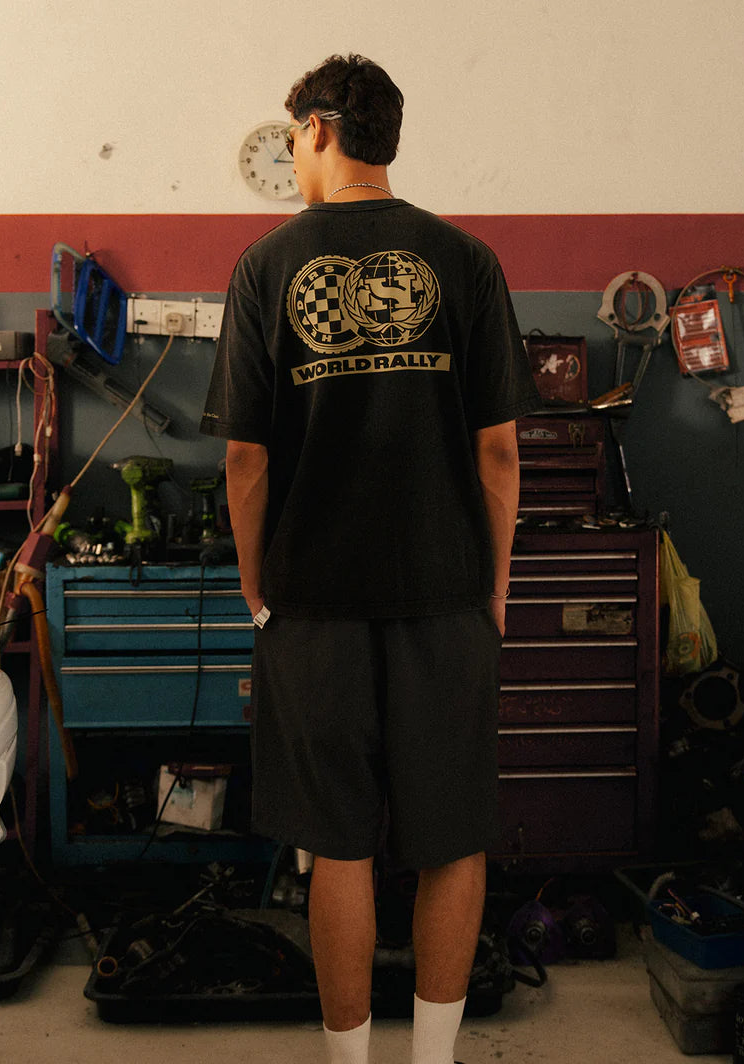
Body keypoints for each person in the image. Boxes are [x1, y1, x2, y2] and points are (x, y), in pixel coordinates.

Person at [200, 53, 539, 1064]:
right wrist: (494, 590)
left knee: (337, 846)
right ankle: (432, 1058)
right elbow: (499, 452)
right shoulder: (467, 260)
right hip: (446, 596)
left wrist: (256, 586)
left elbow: (246, 460)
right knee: (452, 840)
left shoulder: (265, 266)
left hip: (311, 603)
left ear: (315, 129)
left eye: (292, 138)